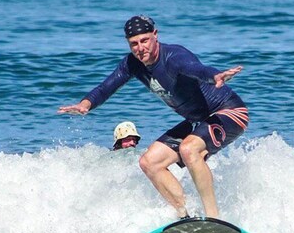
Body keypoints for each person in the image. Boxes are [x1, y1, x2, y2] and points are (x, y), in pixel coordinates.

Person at [59, 15, 247, 219]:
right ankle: (186, 217)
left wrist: (214, 76)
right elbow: (107, 86)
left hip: (228, 112)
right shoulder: (132, 64)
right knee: (149, 162)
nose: (140, 48)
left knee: (188, 149)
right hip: (197, 120)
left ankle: (213, 219)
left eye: (144, 40)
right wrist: (85, 104)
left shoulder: (173, 57)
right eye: (134, 43)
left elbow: (196, 69)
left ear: (155, 35)